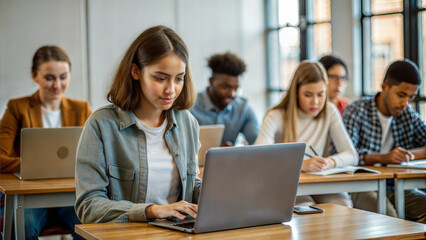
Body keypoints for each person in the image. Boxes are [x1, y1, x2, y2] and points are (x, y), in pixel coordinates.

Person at [75, 25, 201, 224]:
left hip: (178, 232)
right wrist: (151, 211)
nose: (171, 89)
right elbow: (88, 206)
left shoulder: (187, 123)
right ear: (135, 71)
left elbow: (191, 186)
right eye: (160, 78)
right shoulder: (101, 124)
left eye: (179, 79)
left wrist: (221, 193)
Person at [0, 45, 91, 239]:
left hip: (71, 198)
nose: (57, 84)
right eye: (49, 78)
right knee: (23, 226)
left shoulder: (82, 109)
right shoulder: (18, 108)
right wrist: (34, 167)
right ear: (35, 76)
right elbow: (0, 158)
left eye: (63, 76)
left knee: (90, 227)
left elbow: (99, 154)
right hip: (31, 198)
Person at [255, 60, 358, 207]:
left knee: (343, 205)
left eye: (321, 94)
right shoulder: (276, 115)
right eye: (308, 95)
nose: (315, 102)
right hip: (287, 183)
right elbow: (259, 157)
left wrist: (330, 162)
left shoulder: (329, 110)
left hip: (317, 180)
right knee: (306, 208)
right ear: (295, 93)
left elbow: (351, 155)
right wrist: (301, 164)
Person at [344, 59, 426, 222]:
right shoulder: (357, 110)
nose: (405, 103)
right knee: (391, 220)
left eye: (411, 97)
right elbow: (345, 156)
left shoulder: (407, 114)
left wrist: (409, 155)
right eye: (401, 95)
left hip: (398, 186)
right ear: (384, 87)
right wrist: (383, 158)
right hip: (362, 186)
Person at [190, 52, 259, 146]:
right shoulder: (190, 107)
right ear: (211, 81)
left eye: (236, 88)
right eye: (226, 87)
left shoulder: (243, 108)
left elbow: (258, 143)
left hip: (231, 160)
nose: (232, 94)